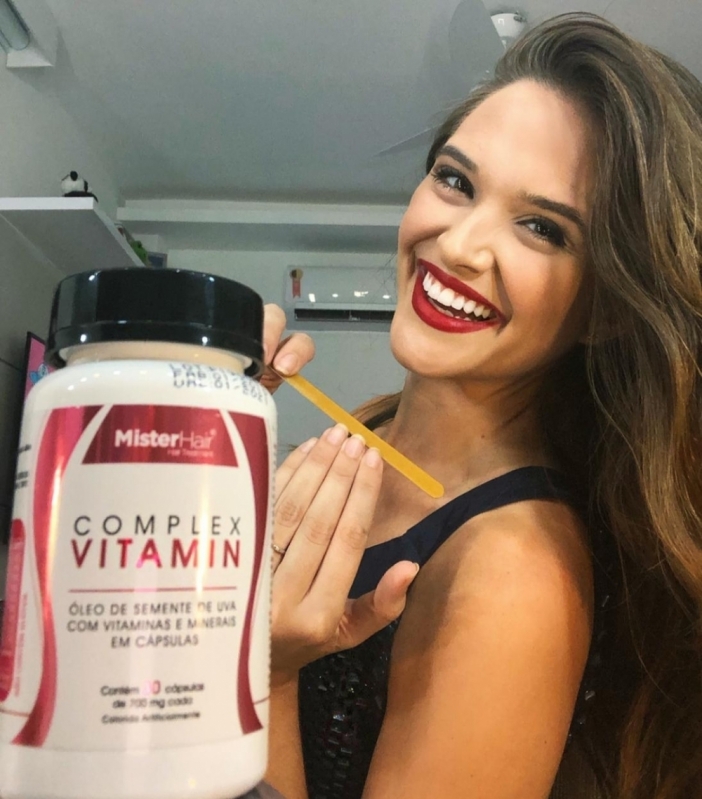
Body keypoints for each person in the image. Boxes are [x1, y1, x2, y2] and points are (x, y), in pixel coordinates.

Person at [258, 12, 702, 799]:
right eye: (456, 181)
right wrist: (211, 432)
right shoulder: (374, 426)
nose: (459, 245)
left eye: (542, 228)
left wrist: (266, 673)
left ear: (606, 309)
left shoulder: (516, 575)